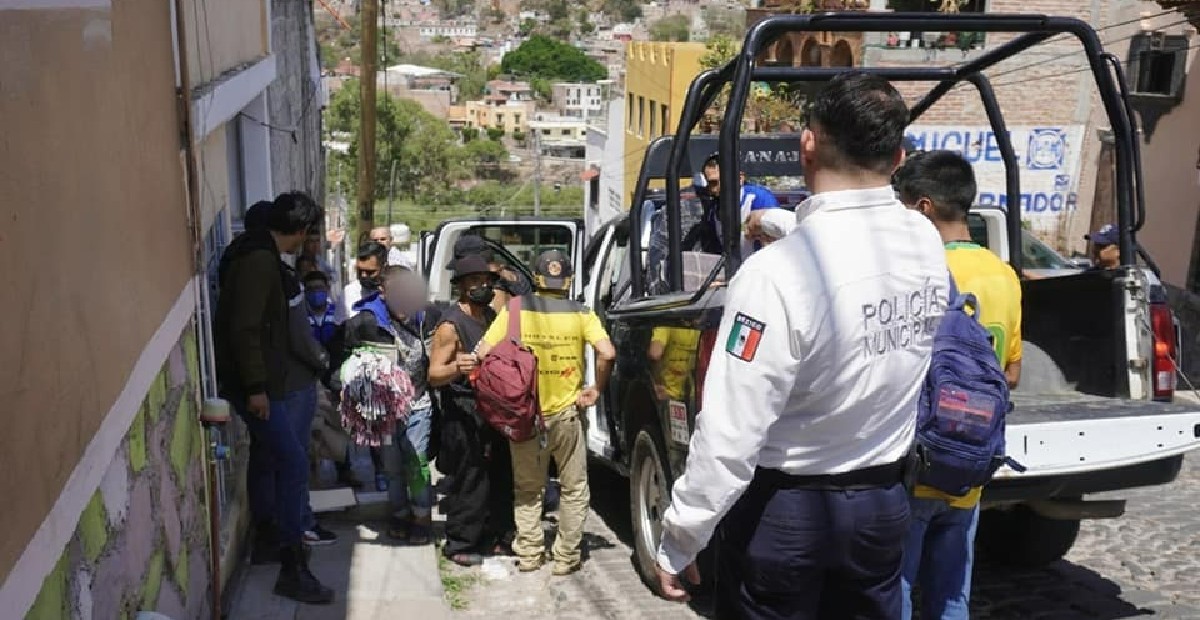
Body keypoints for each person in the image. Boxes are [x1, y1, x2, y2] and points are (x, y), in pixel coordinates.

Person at [654, 72, 948, 619]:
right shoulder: (924, 240)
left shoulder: (772, 278)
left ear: (806, 145)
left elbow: (729, 435)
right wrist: (775, 220)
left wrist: (680, 537)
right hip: (883, 507)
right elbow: (848, 244)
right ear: (900, 155)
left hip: (787, 515)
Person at [893, 150, 1023, 620]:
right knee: (953, 596)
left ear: (924, 207)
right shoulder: (1004, 275)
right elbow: (1011, 374)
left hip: (916, 465)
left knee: (898, 591)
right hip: (971, 466)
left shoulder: (915, 271)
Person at [214, 191, 334, 604]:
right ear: (301, 232)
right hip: (258, 388)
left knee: (271, 458)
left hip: (266, 383)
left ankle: (269, 539)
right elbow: (244, 329)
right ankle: (292, 565)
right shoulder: (259, 262)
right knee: (293, 461)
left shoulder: (260, 255)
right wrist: (256, 389)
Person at [477, 250, 616, 575]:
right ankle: (566, 557)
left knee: (527, 490)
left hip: (524, 415)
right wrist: (595, 389)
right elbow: (607, 353)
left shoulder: (515, 309)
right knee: (574, 488)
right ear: (568, 280)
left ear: (536, 278)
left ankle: (529, 554)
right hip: (566, 415)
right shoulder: (582, 313)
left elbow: (483, 352)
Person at [429, 253, 516, 566]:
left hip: (492, 405)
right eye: (476, 281)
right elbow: (434, 374)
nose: (483, 286)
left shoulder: (491, 318)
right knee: (470, 475)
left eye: (487, 281)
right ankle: (460, 542)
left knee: (499, 474)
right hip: (463, 408)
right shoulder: (450, 326)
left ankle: (497, 537)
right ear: (462, 286)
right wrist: (457, 367)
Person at [341, 266, 437, 545]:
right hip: (383, 412)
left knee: (417, 462)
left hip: (419, 403)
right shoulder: (364, 322)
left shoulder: (427, 317)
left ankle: (421, 517)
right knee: (392, 467)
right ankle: (399, 513)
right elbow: (343, 360)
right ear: (382, 292)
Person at [340, 241, 389, 320]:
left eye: (370, 272)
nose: (363, 275)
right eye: (360, 270)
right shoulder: (347, 293)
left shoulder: (394, 293)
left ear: (384, 267)